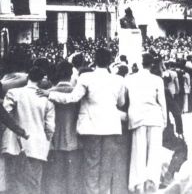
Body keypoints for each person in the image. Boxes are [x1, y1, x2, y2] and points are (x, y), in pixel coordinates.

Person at [38, 48, 126, 194]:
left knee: (92, 165)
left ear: (94, 60)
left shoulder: (85, 78)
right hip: (111, 127)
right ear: (110, 61)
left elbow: (71, 98)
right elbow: (121, 102)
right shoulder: (118, 80)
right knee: (107, 166)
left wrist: (50, 94)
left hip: (91, 128)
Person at [2, 67, 55, 194]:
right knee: (34, 182)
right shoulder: (47, 98)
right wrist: (47, 139)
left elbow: (5, 115)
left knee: (13, 181)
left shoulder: (13, 93)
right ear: (42, 79)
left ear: (28, 77)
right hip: (36, 144)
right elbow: (50, 127)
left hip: (13, 143)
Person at [125, 53, 167, 193]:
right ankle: (151, 182)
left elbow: (125, 99)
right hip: (154, 117)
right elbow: (162, 102)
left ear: (139, 63)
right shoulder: (157, 79)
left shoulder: (129, 79)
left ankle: (137, 183)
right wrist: (164, 120)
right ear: (152, 64)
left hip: (137, 117)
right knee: (154, 153)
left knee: (138, 152)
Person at [42, 61, 82, 194]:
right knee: (74, 178)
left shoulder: (47, 93)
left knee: (55, 177)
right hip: (74, 140)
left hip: (54, 141)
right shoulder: (78, 93)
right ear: (71, 75)